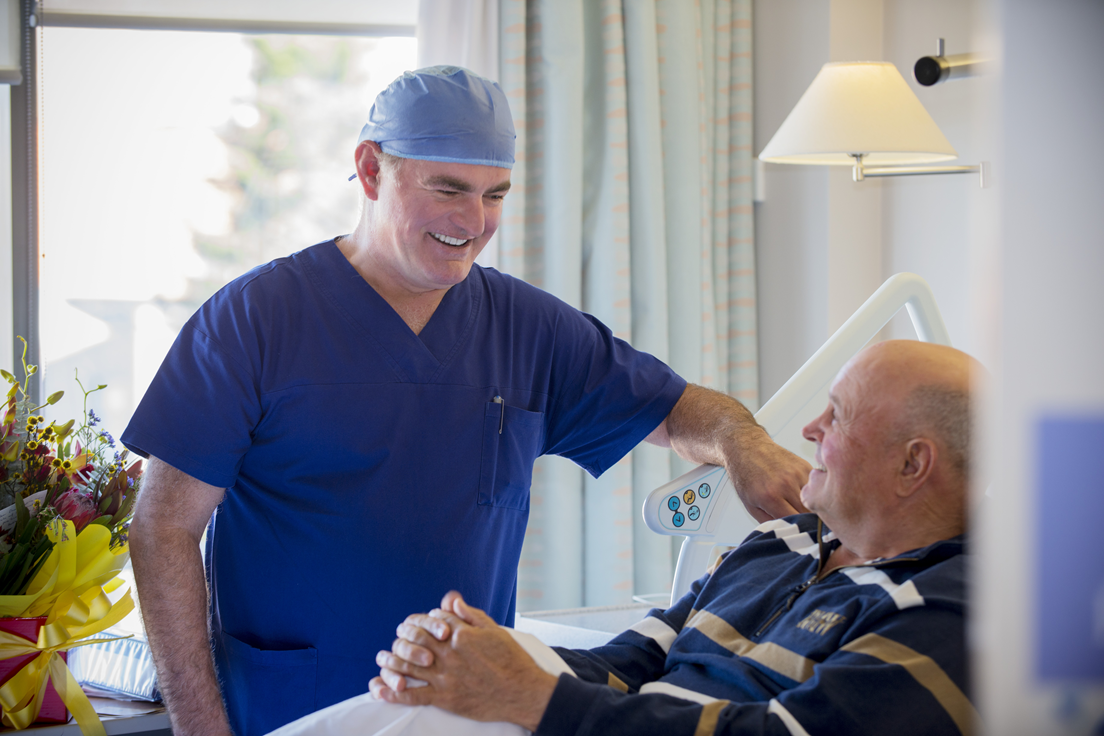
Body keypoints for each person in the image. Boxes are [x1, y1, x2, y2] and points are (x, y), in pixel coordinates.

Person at [122, 66, 811, 736]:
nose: (474, 221)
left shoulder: (529, 328)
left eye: (495, 195)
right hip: (287, 708)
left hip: (463, 716)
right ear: (370, 169)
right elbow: (163, 529)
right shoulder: (253, 320)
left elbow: (676, 409)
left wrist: (741, 440)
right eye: (448, 189)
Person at [272, 339, 976, 736]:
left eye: (838, 416)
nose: (810, 430)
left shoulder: (952, 608)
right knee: (426, 697)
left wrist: (532, 696)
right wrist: (478, 659)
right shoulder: (784, 542)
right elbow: (633, 660)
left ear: (912, 464)